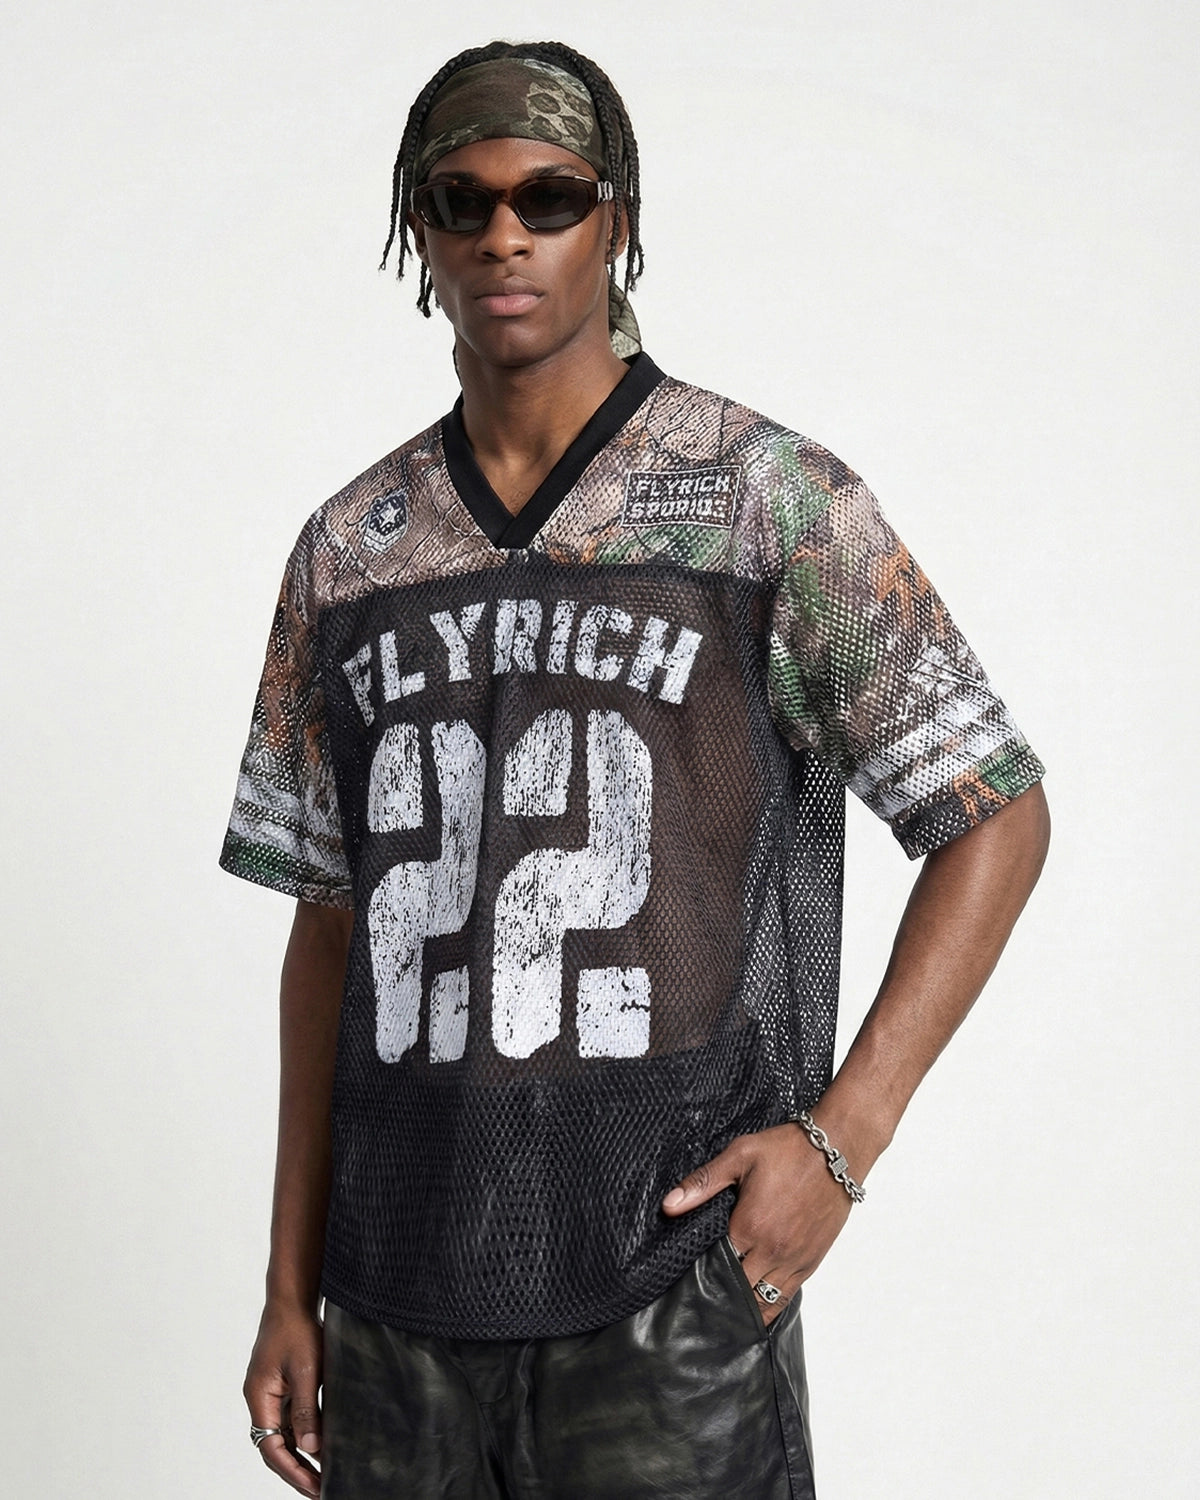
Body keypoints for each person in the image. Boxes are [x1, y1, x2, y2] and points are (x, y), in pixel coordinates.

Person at [221, 39, 1050, 1500]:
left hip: (668, 1287)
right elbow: (330, 932)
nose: (504, 236)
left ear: (615, 217)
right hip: (396, 1298)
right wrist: (291, 1285)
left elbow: (995, 814)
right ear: (420, 230)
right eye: (461, 201)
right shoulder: (351, 549)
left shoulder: (764, 500)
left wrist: (842, 1140)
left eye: (548, 196)